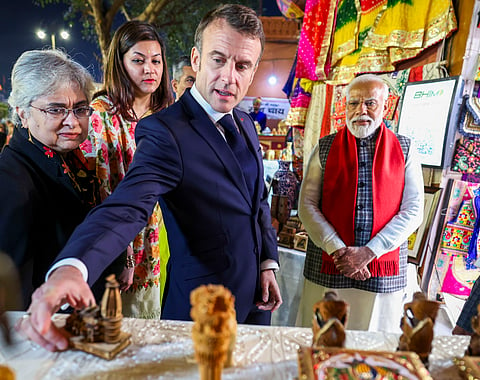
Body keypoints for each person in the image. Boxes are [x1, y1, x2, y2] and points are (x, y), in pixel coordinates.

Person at [18, 4, 282, 352]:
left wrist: (268, 262)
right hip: (199, 309)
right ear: (197, 59)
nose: (229, 76)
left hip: (257, 302)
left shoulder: (246, 124)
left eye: (242, 65)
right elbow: (127, 205)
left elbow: (257, 201)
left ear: (252, 71)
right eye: (218, 59)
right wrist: (72, 268)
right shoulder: (165, 131)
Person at [296, 74, 424, 333]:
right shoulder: (324, 147)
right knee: (322, 336)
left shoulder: (406, 148)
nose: (360, 111)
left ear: (385, 107)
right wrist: (338, 250)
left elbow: (413, 210)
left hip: (382, 267)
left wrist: (369, 252)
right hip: (329, 262)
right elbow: (307, 205)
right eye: (353, 104)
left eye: (370, 103)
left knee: (374, 341)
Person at [0, 49, 122, 308]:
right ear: (23, 112)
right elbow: (13, 291)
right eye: (56, 110)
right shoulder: (11, 179)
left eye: (80, 109)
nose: (73, 122)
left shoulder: (69, 156)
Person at [80, 20, 174, 318]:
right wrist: (124, 255)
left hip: (164, 236)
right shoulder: (102, 115)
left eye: (156, 60)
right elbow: (105, 192)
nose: (150, 69)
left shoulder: (166, 114)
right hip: (122, 241)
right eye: (138, 60)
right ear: (120, 64)